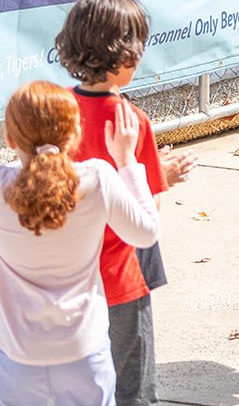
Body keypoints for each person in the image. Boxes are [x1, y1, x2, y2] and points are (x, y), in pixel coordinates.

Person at [53, 0, 195, 406]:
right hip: (121, 272)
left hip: (67, 273)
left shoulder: (57, 107)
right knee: (132, 383)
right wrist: (162, 174)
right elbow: (146, 211)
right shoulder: (132, 120)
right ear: (127, 59)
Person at [0, 82, 160, 406]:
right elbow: (146, 232)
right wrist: (127, 160)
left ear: (10, 138)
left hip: (18, 355)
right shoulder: (98, 178)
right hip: (85, 350)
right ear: (74, 134)